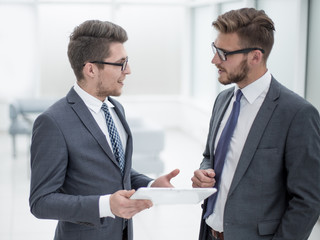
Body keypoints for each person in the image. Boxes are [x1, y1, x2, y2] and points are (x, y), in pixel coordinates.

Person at [29, 20, 180, 240]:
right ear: (91, 69)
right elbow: (41, 202)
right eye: (121, 63)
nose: (128, 70)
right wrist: (105, 205)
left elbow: (116, 170)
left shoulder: (115, 109)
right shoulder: (52, 122)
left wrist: (149, 185)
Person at [191, 8, 320, 240]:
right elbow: (209, 155)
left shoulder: (297, 113)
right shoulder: (223, 100)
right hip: (210, 232)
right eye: (215, 49)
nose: (214, 60)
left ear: (255, 57)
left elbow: (308, 200)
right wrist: (204, 171)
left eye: (223, 53)